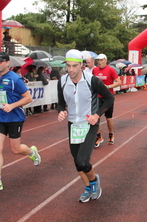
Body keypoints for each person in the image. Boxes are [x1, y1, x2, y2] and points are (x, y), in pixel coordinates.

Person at [57, 49, 113, 202]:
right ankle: (88, 188)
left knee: (83, 161)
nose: (71, 70)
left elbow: (109, 99)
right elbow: (60, 104)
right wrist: (61, 111)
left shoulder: (92, 80)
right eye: (68, 66)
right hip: (73, 125)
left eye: (74, 66)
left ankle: (94, 181)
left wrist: (97, 115)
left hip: (89, 124)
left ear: (81, 65)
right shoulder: (62, 81)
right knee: (77, 162)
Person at [0, 52, 41, 194]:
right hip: (0, 118)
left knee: (15, 150)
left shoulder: (15, 79)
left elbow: (28, 98)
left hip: (15, 117)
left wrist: (12, 106)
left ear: (7, 63)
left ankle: (32, 152)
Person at [92, 54, 121, 147]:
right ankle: (99, 136)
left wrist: (108, 86)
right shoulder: (95, 70)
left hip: (108, 97)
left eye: (101, 60)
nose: (99, 62)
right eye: (98, 60)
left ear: (105, 60)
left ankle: (111, 134)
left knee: (108, 119)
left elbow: (119, 82)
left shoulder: (111, 70)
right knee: (96, 117)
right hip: (98, 97)